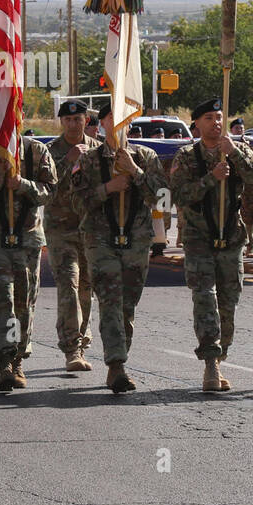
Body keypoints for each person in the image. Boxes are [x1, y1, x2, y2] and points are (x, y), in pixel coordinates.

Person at [70, 100, 168, 394]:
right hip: (100, 241)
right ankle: (117, 365)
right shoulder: (87, 161)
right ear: (103, 123)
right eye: (114, 117)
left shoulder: (146, 156)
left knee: (127, 305)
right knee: (111, 301)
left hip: (136, 241)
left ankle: (118, 359)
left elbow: (162, 199)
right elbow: (75, 202)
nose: (120, 122)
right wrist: (107, 189)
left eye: (126, 117)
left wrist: (135, 171)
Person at [168, 98, 253, 392]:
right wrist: (211, 178)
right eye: (209, 118)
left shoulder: (236, 150)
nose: (216, 123)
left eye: (220, 117)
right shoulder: (186, 156)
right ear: (197, 124)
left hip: (231, 237)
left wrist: (235, 155)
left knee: (228, 302)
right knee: (205, 298)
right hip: (199, 238)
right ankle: (210, 362)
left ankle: (222, 355)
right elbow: (181, 195)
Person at [0, 131, 56, 392]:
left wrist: (22, 184)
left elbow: (49, 191)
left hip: (27, 240)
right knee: (2, 302)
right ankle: (5, 362)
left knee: (24, 303)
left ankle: (19, 358)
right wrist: (0, 161)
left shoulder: (37, 151)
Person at [44, 99, 99, 373]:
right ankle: (71, 348)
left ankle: (82, 340)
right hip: (60, 230)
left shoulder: (98, 151)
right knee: (69, 286)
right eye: (68, 120)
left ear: (86, 121)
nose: (73, 124)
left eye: (78, 119)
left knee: (87, 289)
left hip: (90, 230)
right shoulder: (49, 152)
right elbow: (46, 189)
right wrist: (68, 161)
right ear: (61, 122)